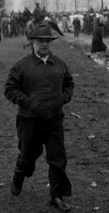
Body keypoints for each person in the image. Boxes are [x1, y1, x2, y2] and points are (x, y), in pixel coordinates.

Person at [4, 22, 74, 212]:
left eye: (47, 41)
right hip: (29, 121)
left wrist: (63, 98)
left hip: (54, 120)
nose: (44, 44)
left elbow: (69, 84)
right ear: (32, 41)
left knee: (57, 159)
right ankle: (18, 177)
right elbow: (9, 90)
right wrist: (28, 102)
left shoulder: (59, 64)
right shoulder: (21, 66)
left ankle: (57, 197)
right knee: (27, 156)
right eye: (40, 41)